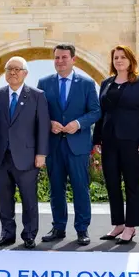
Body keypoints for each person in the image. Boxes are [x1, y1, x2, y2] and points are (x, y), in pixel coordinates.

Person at [36, 44, 101, 246]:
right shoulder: (43, 83)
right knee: (56, 189)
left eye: (64, 57)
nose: (60, 61)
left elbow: (95, 112)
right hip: (54, 145)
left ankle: (82, 229)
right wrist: (48, 123)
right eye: (56, 58)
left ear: (74, 60)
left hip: (78, 145)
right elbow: (38, 112)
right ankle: (58, 227)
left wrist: (78, 124)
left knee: (80, 188)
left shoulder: (87, 83)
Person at [0, 56, 50, 249]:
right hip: (1, 157)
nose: (12, 73)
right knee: (4, 199)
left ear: (25, 73)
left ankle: (29, 234)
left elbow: (43, 126)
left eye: (17, 69)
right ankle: (7, 233)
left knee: (29, 199)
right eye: (9, 69)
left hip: (27, 158)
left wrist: (41, 153)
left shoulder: (37, 95)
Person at [93, 45, 139, 245]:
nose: (119, 60)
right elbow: (101, 113)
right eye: (116, 57)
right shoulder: (106, 83)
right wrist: (97, 139)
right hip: (109, 141)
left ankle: (130, 226)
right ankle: (118, 224)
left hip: (132, 141)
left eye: (123, 57)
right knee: (111, 183)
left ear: (130, 61)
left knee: (131, 184)